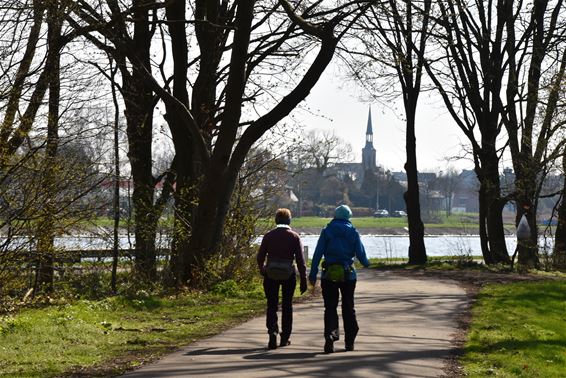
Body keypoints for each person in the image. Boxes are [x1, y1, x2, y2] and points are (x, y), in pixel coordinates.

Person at [309, 204, 370, 353]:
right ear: (349, 217)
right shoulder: (353, 232)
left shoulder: (327, 231)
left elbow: (317, 253)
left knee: (330, 307)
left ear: (335, 216)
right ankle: (349, 341)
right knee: (348, 307)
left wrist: (312, 273)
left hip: (328, 274)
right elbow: (361, 254)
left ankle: (330, 335)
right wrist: (367, 263)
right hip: (348, 275)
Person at [257, 208, 308, 349]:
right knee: (287, 305)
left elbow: (260, 257)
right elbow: (300, 261)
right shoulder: (294, 237)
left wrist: (262, 269)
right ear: (289, 220)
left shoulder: (268, 236)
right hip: (288, 274)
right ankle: (285, 337)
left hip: (271, 274)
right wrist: (303, 280)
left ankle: (272, 333)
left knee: (272, 305)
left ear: (276, 220)